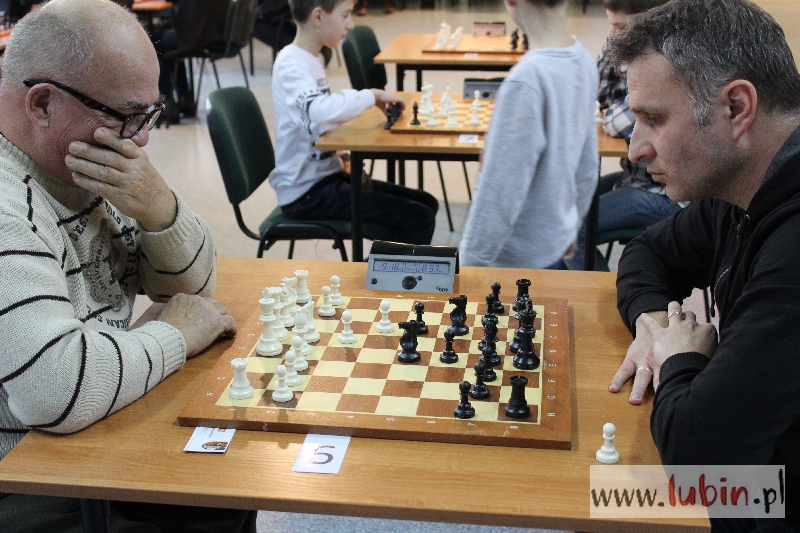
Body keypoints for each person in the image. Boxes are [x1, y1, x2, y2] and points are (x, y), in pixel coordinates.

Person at [0, 0, 255, 531]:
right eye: (127, 116)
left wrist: (160, 208)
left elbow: (193, 290)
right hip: (27, 478)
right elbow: (55, 389)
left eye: (150, 115)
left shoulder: (83, 164)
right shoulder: (9, 205)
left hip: (83, 433)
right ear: (42, 104)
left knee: (229, 484)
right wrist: (176, 335)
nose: (141, 139)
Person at [608, 0, 800, 529]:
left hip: (776, 497)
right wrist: (653, 324)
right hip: (755, 463)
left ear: (736, 108)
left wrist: (678, 358)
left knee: (602, 491)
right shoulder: (743, 184)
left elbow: (698, 462)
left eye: (653, 119)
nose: (634, 150)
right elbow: (646, 251)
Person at [271, 0, 438, 245]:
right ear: (318, 17)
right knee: (419, 217)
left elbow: (311, 128)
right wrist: (371, 95)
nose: (350, 25)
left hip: (323, 178)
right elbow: (318, 111)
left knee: (427, 203)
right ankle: (380, 269)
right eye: (345, 15)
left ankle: (384, 263)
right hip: (305, 194)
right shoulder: (291, 65)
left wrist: (340, 157)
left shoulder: (310, 59)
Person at [458, 0, 598, 269]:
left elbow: (500, 191)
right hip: (553, 243)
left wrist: (470, 264)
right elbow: (588, 165)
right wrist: (571, 224)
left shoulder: (526, 79)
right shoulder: (583, 60)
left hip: (512, 260)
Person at [564, 0, 681, 271]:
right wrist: (615, 48)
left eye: (621, 27)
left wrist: (610, 112)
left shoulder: (665, 64)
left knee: (572, 228)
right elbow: (591, 92)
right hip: (635, 177)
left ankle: (600, 294)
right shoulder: (632, 50)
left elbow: (616, 123)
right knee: (563, 205)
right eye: (611, 25)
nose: (613, 34)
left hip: (665, 191)